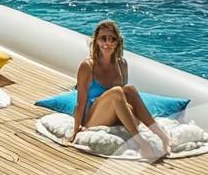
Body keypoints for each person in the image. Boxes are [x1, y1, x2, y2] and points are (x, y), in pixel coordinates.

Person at [71, 20, 171, 160]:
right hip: (94, 118)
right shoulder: (88, 66)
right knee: (117, 91)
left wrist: (132, 113)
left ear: (118, 42)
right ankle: (142, 143)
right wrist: (75, 131)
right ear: (96, 41)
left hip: (116, 116)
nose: (107, 43)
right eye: (103, 38)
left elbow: (125, 98)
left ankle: (164, 138)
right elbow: (80, 102)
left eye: (112, 39)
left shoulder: (122, 64)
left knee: (129, 89)